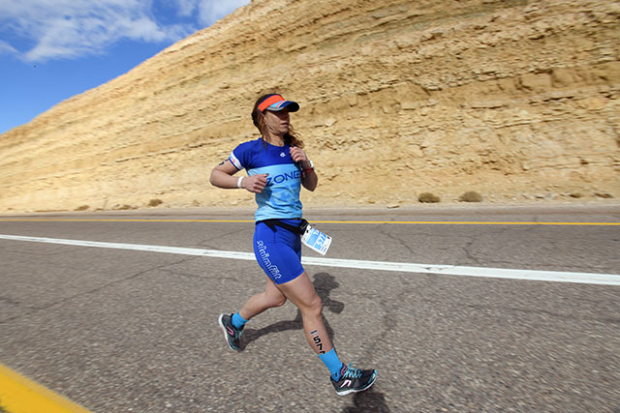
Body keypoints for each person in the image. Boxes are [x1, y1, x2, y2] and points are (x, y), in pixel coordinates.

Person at [209, 93, 377, 396]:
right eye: (279, 112)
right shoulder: (250, 151)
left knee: (275, 298)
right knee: (312, 305)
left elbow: (311, 186)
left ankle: (233, 322)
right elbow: (215, 175)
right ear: (262, 117)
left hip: (293, 235)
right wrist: (242, 182)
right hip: (271, 237)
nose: (286, 116)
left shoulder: (293, 150)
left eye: (288, 111)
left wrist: (307, 165)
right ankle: (340, 375)